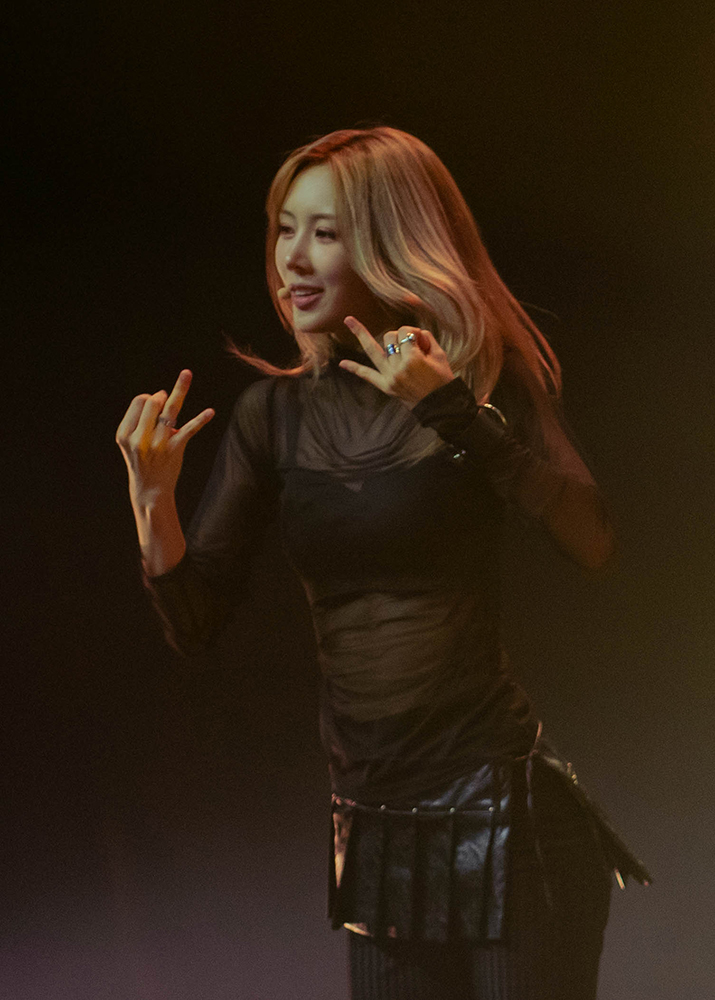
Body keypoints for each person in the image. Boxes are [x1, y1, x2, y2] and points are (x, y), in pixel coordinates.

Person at [116, 126, 650, 999]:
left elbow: (591, 542)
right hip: (376, 835)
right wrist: (153, 501)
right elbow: (196, 620)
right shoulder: (272, 416)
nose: (292, 258)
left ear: (386, 244)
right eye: (284, 228)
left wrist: (454, 413)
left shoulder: (478, 382)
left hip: (507, 818)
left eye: (324, 232)